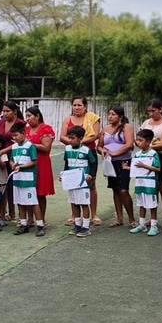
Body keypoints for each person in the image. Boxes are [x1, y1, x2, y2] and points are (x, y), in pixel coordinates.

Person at [60, 96, 101, 227]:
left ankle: (93, 214)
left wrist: (80, 143)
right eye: (74, 105)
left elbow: (95, 134)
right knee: (72, 184)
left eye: (79, 105)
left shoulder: (93, 118)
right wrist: (72, 143)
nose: (76, 108)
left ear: (85, 106)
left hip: (88, 153)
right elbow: (62, 136)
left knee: (91, 184)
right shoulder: (68, 119)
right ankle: (74, 215)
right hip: (72, 155)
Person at [98, 105, 135, 228]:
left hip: (124, 162)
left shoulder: (126, 127)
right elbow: (99, 145)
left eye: (113, 114)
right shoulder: (105, 129)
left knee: (124, 189)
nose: (110, 116)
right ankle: (119, 218)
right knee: (115, 189)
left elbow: (129, 144)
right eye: (109, 114)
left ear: (120, 116)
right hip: (110, 163)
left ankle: (131, 219)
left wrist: (115, 153)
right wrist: (102, 150)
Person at [140, 99, 162, 230]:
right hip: (147, 157)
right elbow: (140, 138)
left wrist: (150, 146)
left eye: (153, 111)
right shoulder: (145, 123)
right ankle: (152, 217)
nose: (151, 114)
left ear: (160, 109)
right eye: (149, 111)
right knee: (150, 187)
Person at [9, 121, 45, 237]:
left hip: (28, 179)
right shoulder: (14, 146)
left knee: (33, 202)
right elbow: (11, 160)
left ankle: (40, 225)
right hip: (17, 178)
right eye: (13, 136)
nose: (14, 138)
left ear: (23, 133)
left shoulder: (30, 146)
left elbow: (34, 161)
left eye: (16, 135)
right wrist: (12, 164)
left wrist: (21, 166)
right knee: (20, 202)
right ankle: (23, 224)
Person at [63, 125, 97, 237]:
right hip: (71, 181)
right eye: (69, 138)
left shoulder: (86, 150)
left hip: (83, 182)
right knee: (74, 203)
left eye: (73, 138)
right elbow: (67, 164)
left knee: (83, 203)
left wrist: (91, 175)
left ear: (80, 138)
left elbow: (93, 163)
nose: (70, 140)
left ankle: (86, 227)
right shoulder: (67, 149)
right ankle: (77, 225)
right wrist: (64, 175)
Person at [25, 106, 55, 225]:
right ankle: (30, 219)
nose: (27, 119)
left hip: (41, 162)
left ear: (37, 116)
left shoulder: (46, 128)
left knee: (40, 192)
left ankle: (41, 219)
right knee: (27, 190)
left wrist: (29, 143)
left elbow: (46, 147)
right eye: (26, 116)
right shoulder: (26, 130)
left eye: (29, 116)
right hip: (27, 162)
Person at [129, 129, 161, 237]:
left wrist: (145, 166)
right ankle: (142, 224)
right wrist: (127, 167)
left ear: (148, 142)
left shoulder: (153, 153)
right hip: (139, 183)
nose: (137, 142)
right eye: (137, 140)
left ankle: (154, 226)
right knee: (141, 203)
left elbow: (157, 169)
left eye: (140, 140)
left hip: (150, 183)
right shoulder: (137, 154)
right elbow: (135, 168)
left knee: (152, 205)